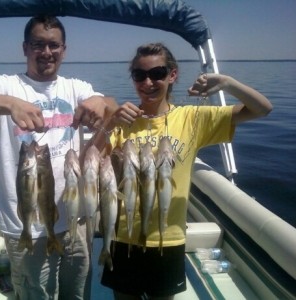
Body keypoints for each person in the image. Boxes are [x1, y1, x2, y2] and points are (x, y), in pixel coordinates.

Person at [0, 15, 117, 300]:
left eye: (54, 45)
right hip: (27, 225)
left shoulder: (76, 88)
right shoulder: (5, 85)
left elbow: (112, 108)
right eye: (38, 45)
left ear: (64, 50)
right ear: (25, 48)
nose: (46, 52)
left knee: (76, 293)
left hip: (76, 219)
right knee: (37, 294)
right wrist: (10, 104)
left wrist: (101, 102)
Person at [87, 42, 272, 299]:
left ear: (172, 75)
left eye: (158, 73)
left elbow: (262, 109)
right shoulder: (122, 121)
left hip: (168, 238)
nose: (148, 82)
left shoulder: (192, 118)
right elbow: (89, 161)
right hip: (122, 237)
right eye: (139, 75)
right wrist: (109, 122)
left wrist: (228, 83)